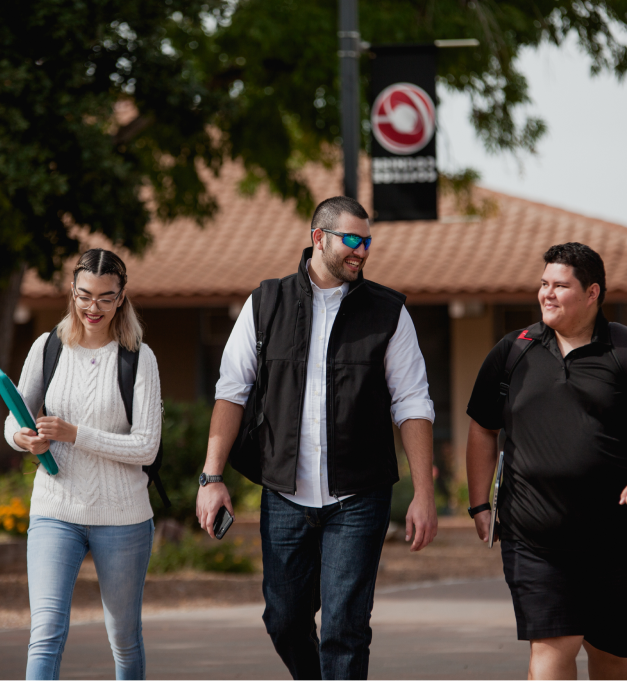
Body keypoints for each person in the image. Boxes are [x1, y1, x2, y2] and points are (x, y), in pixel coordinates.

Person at [196, 195, 437, 680]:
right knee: (283, 621)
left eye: (367, 242)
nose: (362, 251)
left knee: (344, 629)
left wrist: (424, 494)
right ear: (318, 239)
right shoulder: (265, 302)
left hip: (359, 496)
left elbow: (412, 403)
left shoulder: (389, 312)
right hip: (285, 496)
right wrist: (211, 477)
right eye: (351, 240)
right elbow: (232, 392)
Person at [466, 242, 627, 681]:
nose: (547, 294)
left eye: (560, 285)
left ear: (592, 293)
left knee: (612, 655)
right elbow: (482, 426)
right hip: (533, 534)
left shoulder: (621, 349)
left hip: (613, 535)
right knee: (555, 645)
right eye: (543, 284)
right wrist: (480, 505)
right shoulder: (513, 351)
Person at [5, 248, 162, 681]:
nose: (94, 307)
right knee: (46, 631)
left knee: (124, 638)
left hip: (123, 517)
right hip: (56, 509)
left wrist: (76, 434)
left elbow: (146, 447)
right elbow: (13, 419)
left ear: (122, 296)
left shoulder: (138, 358)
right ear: (72, 291)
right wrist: (23, 438)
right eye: (85, 295)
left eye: (106, 297)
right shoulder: (48, 347)